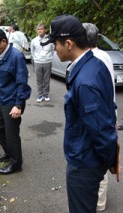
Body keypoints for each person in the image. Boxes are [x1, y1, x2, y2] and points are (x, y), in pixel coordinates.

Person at [41, 14, 117, 213]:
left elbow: (100, 129)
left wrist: (109, 160)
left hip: (85, 163)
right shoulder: (95, 64)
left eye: (55, 44)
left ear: (68, 43)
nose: (53, 49)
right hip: (87, 157)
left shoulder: (85, 81)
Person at [0, 28, 31, 175]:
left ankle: (15, 163)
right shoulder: (1, 54)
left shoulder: (16, 57)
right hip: (4, 99)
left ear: (4, 41)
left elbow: (22, 82)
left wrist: (18, 105)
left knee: (11, 134)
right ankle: (9, 152)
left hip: (13, 101)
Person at [83, 22, 115, 212]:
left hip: (99, 113)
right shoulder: (105, 55)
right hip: (109, 109)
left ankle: (98, 204)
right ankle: (98, 201)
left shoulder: (92, 58)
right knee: (101, 156)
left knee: (97, 157)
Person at [30, 23, 54, 102]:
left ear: (45, 30)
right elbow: (32, 52)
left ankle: (46, 95)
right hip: (38, 62)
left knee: (46, 79)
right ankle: (40, 95)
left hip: (47, 61)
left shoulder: (49, 39)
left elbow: (52, 50)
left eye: (41, 29)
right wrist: (36, 59)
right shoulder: (34, 41)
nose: (40, 31)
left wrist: (49, 58)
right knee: (39, 80)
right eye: (38, 29)